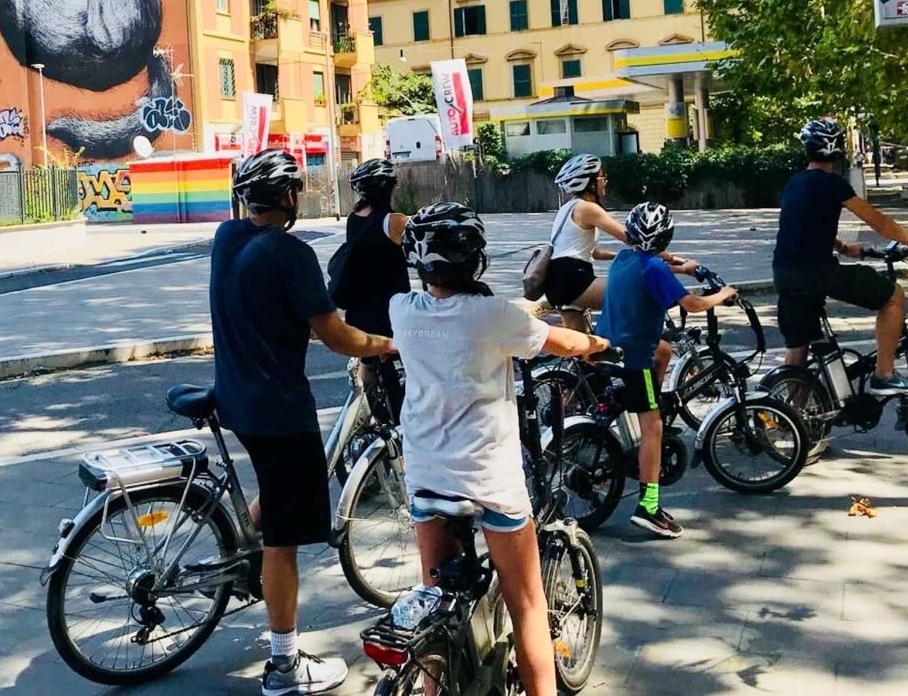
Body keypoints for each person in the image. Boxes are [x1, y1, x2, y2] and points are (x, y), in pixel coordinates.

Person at [391, 202, 610, 696]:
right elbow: (562, 342)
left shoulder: (401, 310)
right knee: (528, 605)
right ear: (475, 260)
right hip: (490, 480)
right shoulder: (491, 315)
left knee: (434, 600)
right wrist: (598, 346)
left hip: (426, 475)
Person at [212, 149, 395, 696]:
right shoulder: (289, 252)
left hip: (236, 397)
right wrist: (385, 343)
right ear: (290, 196)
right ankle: (285, 665)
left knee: (279, 491)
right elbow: (335, 335)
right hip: (277, 410)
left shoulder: (227, 237)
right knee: (285, 540)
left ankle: (236, 548)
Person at [597, 202, 736, 538]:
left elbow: (654, 264)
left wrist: (684, 267)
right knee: (654, 428)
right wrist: (722, 294)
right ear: (666, 237)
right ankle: (649, 507)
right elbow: (693, 305)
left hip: (607, 345)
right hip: (633, 358)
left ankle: (645, 398)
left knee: (666, 348)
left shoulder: (625, 258)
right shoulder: (654, 268)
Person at [773, 118, 908, 395]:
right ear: (837, 148)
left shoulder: (794, 183)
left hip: (784, 273)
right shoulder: (832, 183)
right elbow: (876, 219)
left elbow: (804, 224)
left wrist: (843, 247)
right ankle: (884, 374)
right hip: (816, 272)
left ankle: (792, 422)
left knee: (797, 349)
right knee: (893, 296)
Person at [545, 154, 698, 330]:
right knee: (635, 291)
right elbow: (634, 237)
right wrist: (670, 258)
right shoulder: (587, 208)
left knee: (585, 351)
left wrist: (619, 257)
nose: (605, 181)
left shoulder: (569, 208)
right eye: (602, 177)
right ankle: (639, 344)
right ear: (589, 183)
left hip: (559, 280)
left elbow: (592, 252)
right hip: (572, 280)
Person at [339, 158, 411, 422]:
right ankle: (401, 425)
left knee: (370, 366)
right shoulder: (395, 221)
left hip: (359, 309)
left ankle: (378, 421)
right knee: (409, 366)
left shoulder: (352, 220)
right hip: (390, 310)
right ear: (389, 187)